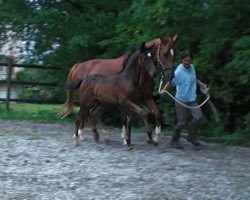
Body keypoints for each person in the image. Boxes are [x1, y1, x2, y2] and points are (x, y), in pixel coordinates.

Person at [169, 50, 207, 149]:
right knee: (181, 122)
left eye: (189, 60)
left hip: (192, 99)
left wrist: (201, 84)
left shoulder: (192, 68)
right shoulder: (178, 71)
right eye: (185, 60)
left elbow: (194, 79)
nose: (187, 62)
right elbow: (172, 83)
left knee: (198, 116)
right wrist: (168, 79)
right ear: (182, 60)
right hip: (181, 100)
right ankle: (174, 141)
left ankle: (191, 137)